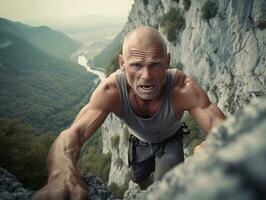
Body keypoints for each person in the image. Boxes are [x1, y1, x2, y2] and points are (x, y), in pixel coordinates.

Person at [32, 26, 225, 200]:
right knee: (139, 178)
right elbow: (73, 133)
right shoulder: (111, 91)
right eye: (136, 65)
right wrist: (62, 174)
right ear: (122, 64)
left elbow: (218, 123)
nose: (146, 76)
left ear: (167, 61)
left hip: (171, 140)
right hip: (139, 142)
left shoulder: (182, 88)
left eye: (155, 64)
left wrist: (216, 145)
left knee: (167, 189)